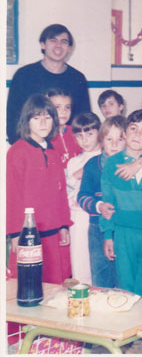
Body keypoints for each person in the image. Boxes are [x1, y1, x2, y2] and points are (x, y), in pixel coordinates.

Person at [7, 94, 72, 283]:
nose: (43, 123)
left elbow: (61, 193)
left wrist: (63, 225)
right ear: (27, 121)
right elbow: (12, 195)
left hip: (53, 230)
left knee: (54, 285)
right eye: (36, 118)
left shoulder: (53, 152)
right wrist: (15, 233)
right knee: (27, 283)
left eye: (47, 117)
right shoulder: (17, 151)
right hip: (27, 232)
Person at [101, 110, 142, 299]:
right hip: (123, 235)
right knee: (127, 291)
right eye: (133, 128)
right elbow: (108, 203)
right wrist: (108, 236)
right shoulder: (112, 163)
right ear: (125, 132)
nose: (137, 134)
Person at [7, 23, 91, 144]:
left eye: (64, 42)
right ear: (43, 44)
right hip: (31, 146)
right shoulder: (24, 75)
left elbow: (84, 119)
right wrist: (22, 147)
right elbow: (12, 118)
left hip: (67, 146)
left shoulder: (78, 78)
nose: (58, 45)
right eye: (53, 40)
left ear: (69, 48)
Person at [77, 116, 126, 288]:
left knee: (123, 277)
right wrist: (98, 206)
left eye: (120, 139)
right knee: (100, 277)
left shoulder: (132, 165)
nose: (114, 144)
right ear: (101, 140)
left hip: (123, 229)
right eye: (109, 139)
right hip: (97, 227)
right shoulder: (92, 165)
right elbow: (82, 196)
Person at [66, 112, 102, 285]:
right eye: (79, 136)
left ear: (99, 132)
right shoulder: (73, 162)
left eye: (89, 134)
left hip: (97, 215)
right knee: (80, 264)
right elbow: (67, 193)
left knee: (99, 263)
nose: (84, 140)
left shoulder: (105, 158)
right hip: (77, 217)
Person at [46, 88, 82, 168]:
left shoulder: (77, 131)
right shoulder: (44, 136)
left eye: (67, 107)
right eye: (57, 107)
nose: (64, 111)